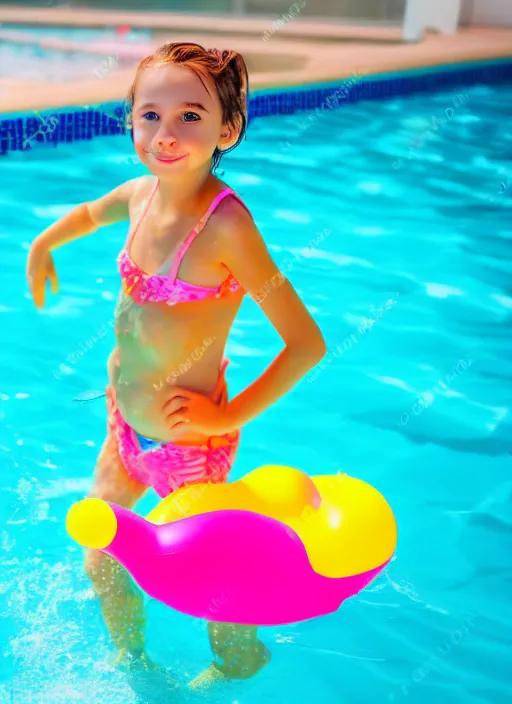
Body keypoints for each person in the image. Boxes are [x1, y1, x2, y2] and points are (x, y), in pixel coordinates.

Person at [26, 42, 327, 686]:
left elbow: (306, 344)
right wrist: (43, 243)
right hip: (125, 427)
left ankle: (241, 665)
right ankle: (135, 667)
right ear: (130, 118)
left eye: (190, 116)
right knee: (101, 558)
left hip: (189, 445)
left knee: (212, 585)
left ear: (229, 128)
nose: (166, 134)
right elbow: (87, 214)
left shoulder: (226, 229)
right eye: (150, 115)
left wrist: (227, 413)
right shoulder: (141, 195)